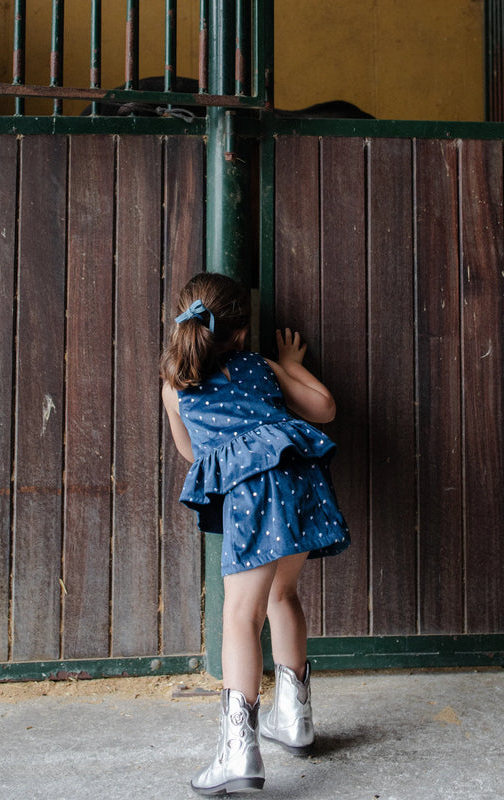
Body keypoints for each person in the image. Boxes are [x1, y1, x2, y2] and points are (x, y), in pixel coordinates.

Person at [160, 272, 351, 796]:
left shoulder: (176, 388)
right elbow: (325, 408)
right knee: (282, 595)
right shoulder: (261, 366)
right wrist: (292, 365)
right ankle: (293, 717)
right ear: (241, 332)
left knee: (241, 616)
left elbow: (191, 452)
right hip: (299, 480)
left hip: (251, 498)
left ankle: (237, 752)